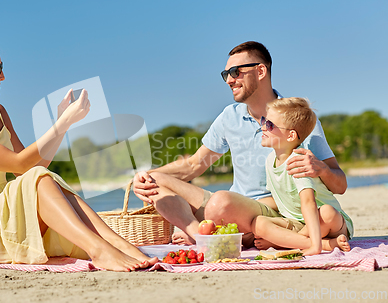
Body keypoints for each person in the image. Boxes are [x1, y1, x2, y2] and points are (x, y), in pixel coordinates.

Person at [0, 35, 157, 272]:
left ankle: (117, 244)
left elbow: (32, 167)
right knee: (38, 178)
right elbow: (20, 164)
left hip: (6, 214)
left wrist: (62, 126)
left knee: (44, 176)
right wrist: (61, 123)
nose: (3, 76)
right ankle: (100, 251)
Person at [132, 41, 347, 246]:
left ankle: (218, 234)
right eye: (225, 74)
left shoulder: (297, 119)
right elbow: (195, 165)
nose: (229, 80)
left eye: (235, 72)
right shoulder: (229, 117)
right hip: (229, 206)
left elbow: (340, 185)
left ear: (261, 71)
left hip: (268, 212)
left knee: (220, 202)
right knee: (156, 181)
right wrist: (144, 177)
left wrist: (322, 169)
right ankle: (200, 234)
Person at [250, 97, 352, 255]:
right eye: (264, 120)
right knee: (259, 223)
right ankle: (326, 244)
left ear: (290, 136)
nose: (263, 127)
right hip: (298, 223)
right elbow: (278, 198)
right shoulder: (270, 160)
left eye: (269, 124)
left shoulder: (298, 161)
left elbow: (309, 203)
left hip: (329, 224)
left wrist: (313, 247)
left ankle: (311, 244)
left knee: (326, 212)